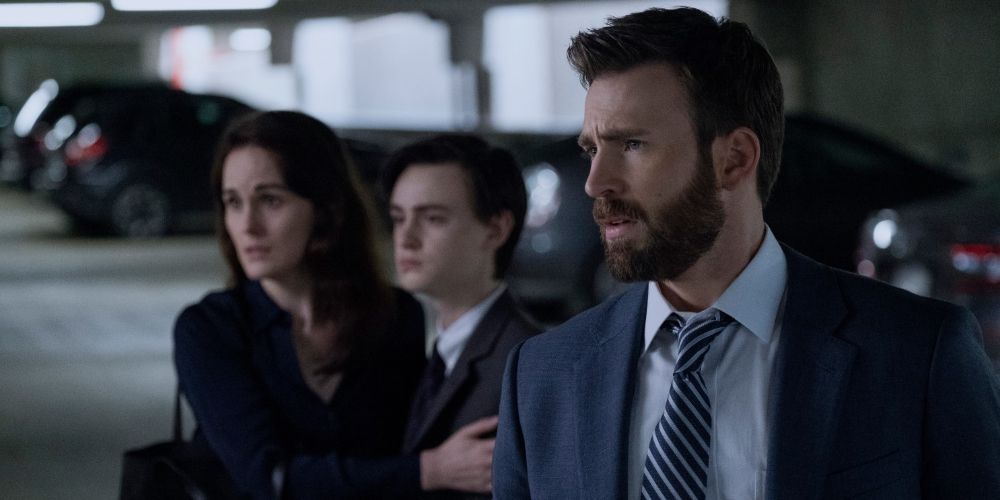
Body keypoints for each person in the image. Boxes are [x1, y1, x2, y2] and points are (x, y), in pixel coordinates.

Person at [492, 7, 1000, 499]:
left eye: (631, 145)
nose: (595, 182)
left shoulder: (919, 353)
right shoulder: (541, 377)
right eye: (591, 149)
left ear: (734, 160)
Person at [174, 110, 427, 499]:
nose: (247, 225)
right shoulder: (209, 329)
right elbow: (266, 479)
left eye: (269, 200)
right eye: (233, 202)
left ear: (325, 209)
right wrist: (426, 472)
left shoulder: (396, 316)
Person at [382, 134, 542, 498]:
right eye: (398, 217)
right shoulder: (424, 349)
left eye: (433, 218)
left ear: (496, 229)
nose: (405, 238)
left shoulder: (526, 361)